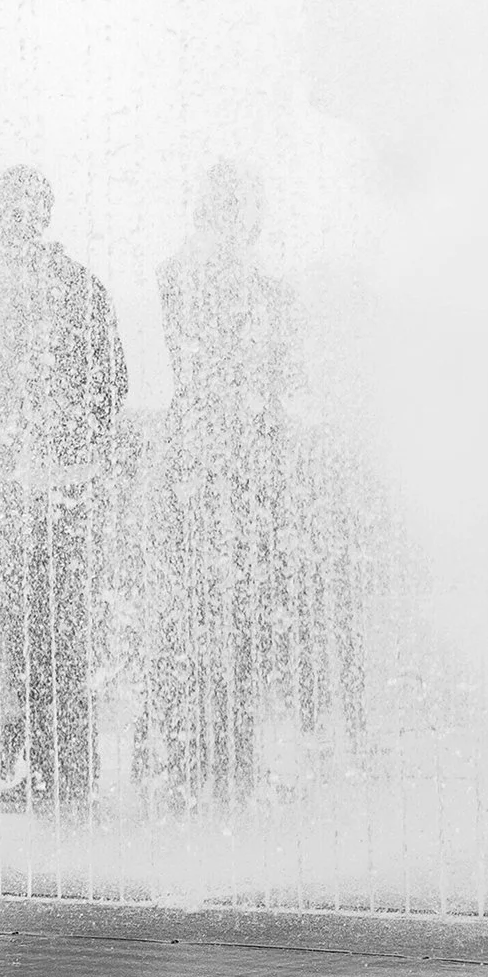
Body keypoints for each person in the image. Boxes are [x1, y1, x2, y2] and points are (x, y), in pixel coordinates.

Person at [0, 165, 128, 815]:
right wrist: (70, 451)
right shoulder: (79, 286)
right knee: (54, 629)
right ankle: (61, 769)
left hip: (25, 491)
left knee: (34, 630)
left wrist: (13, 456)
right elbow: (114, 387)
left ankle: (55, 771)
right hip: (59, 490)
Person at [147, 159, 299, 807]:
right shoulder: (249, 288)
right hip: (230, 462)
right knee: (225, 611)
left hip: (211, 460)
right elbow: (276, 386)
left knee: (207, 611)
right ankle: (214, 755)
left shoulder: (189, 278)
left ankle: (200, 754)